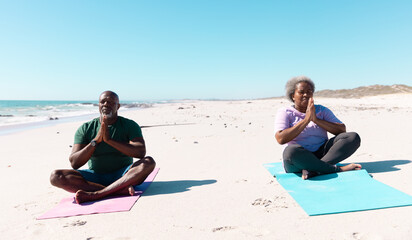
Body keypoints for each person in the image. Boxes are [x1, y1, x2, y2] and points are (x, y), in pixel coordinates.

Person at [50, 91, 156, 203]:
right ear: (99, 105)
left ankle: (97, 194)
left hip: (124, 175)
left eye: (110, 102)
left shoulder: (129, 125)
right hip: (95, 177)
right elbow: (75, 163)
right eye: (102, 102)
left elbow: (140, 152)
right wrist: (95, 141)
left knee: (149, 162)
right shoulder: (86, 128)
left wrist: (109, 140)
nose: (106, 104)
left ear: (118, 106)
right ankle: (117, 190)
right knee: (56, 177)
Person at [274, 76, 361, 180]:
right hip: (299, 158)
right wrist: (306, 120)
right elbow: (281, 138)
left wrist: (316, 120)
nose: (306, 95)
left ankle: (315, 169)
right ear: (293, 96)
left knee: (352, 137)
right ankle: (337, 169)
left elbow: (342, 130)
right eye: (301, 92)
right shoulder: (285, 112)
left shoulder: (321, 110)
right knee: (291, 151)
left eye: (309, 92)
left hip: (322, 155)